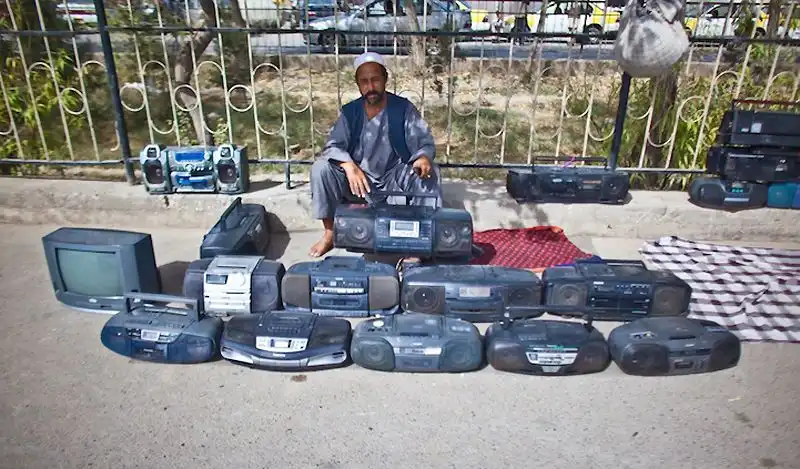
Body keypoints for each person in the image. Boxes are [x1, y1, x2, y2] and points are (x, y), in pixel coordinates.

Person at [308, 52, 442, 258]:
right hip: (358, 183)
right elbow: (333, 145)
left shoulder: (403, 109)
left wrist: (423, 157)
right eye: (364, 82)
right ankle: (330, 232)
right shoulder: (350, 112)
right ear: (358, 85)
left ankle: (420, 240)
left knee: (430, 173)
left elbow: (423, 141)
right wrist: (348, 165)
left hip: (393, 179)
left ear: (385, 79)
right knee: (321, 169)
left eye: (375, 80)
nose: (370, 87)